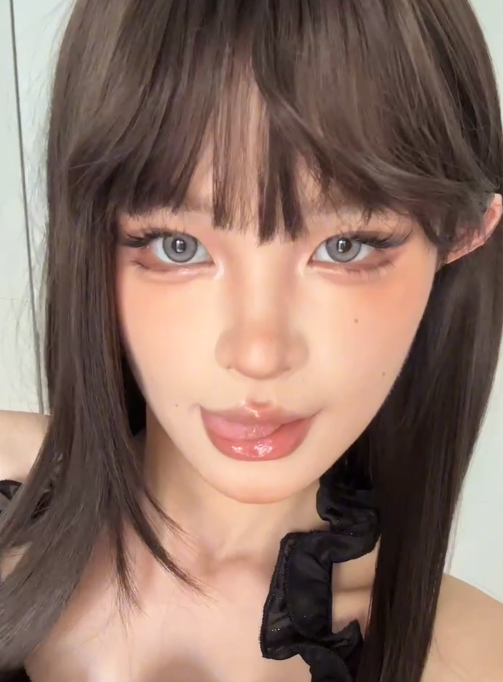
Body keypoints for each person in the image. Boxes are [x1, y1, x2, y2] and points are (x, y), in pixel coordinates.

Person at [1, 0, 503, 680]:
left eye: (346, 246)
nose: (257, 354)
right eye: (177, 246)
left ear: (461, 235)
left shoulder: (474, 658)